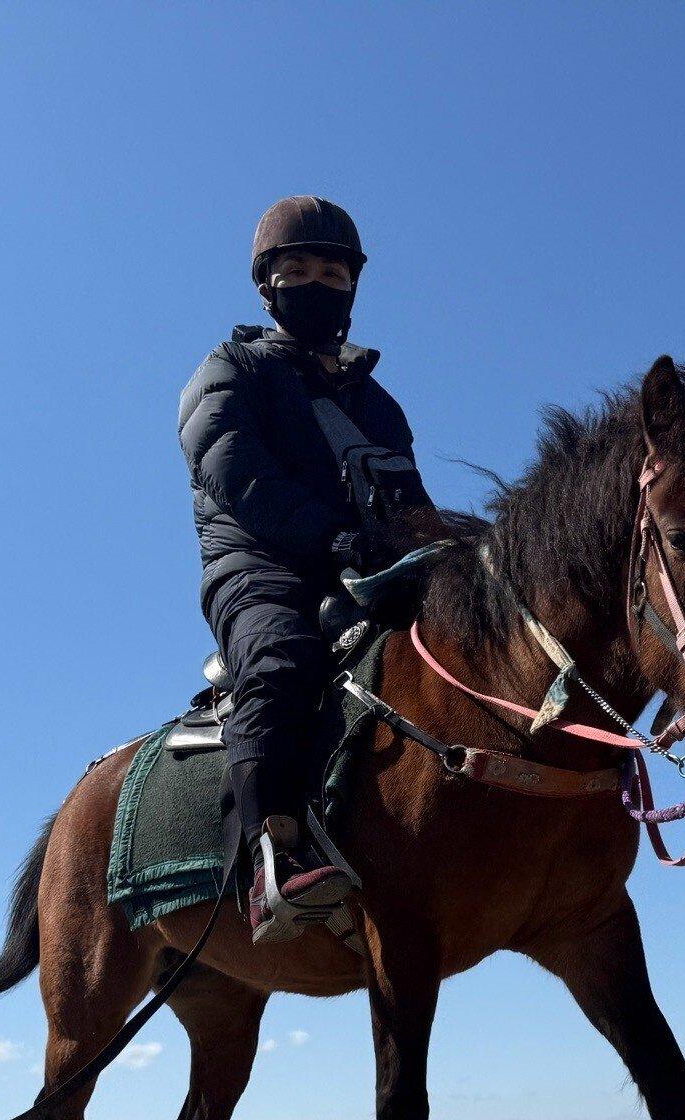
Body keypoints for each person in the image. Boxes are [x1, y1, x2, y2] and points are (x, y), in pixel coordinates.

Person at [178, 196, 433, 943]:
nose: (316, 283)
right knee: (284, 657)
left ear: (353, 287)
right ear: (268, 285)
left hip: (362, 572)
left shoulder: (377, 403)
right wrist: (332, 538)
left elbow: (407, 496)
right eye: (298, 269)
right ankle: (273, 860)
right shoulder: (229, 369)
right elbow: (234, 471)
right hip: (259, 568)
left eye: (332, 271)